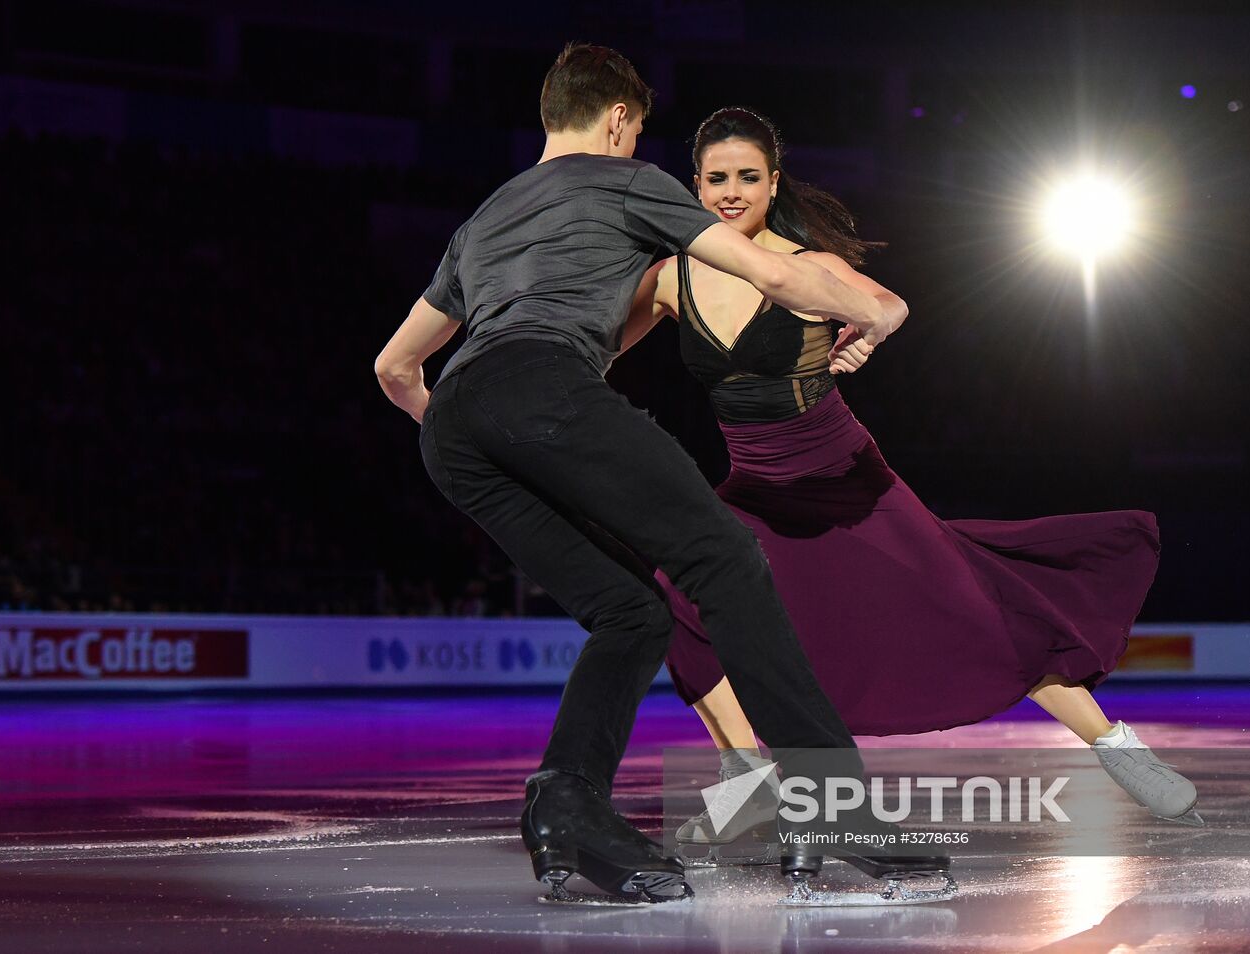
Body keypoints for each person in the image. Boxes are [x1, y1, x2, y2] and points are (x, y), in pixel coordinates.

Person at [374, 47, 941, 904]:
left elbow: (394, 368)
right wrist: (885, 313)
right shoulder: (625, 179)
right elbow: (775, 273)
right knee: (726, 559)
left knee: (631, 612)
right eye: (636, 126)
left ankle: (566, 800)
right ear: (616, 120)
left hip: (454, 426)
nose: (635, 138)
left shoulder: (485, 219)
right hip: (544, 388)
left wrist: (482, 434)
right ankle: (833, 802)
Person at [617, 107, 1201, 859]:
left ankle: (1119, 749)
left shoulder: (807, 268)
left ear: (772, 185)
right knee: (676, 597)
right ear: (695, 185)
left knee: (979, 616)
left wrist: (867, 332)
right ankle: (747, 779)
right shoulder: (670, 281)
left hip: (849, 485)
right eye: (717, 178)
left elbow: (891, 304)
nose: (731, 192)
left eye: (748, 178)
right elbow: (594, 347)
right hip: (758, 494)